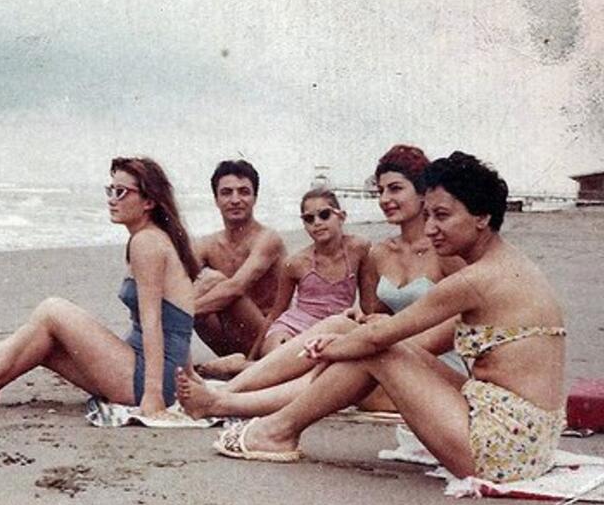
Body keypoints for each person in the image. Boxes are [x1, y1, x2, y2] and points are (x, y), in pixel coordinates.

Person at [211, 152, 566, 484]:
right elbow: (392, 333)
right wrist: (351, 339)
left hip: (502, 450)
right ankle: (255, 412)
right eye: (428, 216)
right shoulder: (510, 264)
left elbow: (382, 340)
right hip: (529, 440)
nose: (430, 229)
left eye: (442, 216)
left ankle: (276, 430)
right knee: (373, 340)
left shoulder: (474, 280)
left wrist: (334, 347)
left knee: (377, 349)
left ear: (482, 217)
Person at [0, 157, 199, 415]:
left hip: (146, 381)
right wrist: (189, 379)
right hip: (145, 370)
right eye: (109, 190)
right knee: (40, 342)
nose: (111, 200)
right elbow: (178, 323)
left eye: (121, 192)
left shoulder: (147, 243)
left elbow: (156, 322)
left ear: (149, 202)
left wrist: (155, 395)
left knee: (52, 310)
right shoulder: (148, 240)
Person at [178, 144, 465, 414]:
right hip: (391, 356)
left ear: (423, 192)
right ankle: (228, 392)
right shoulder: (381, 253)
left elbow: (464, 322)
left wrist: (378, 339)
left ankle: (226, 400)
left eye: (395, 189)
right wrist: (364, 321)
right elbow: (378, 315)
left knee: (335, 364)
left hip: (434, 369)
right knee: (339, 333)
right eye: (380, 191)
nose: (385, 200)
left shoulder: (445, 251)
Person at [197, 187, 371, 378]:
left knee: (313, 369)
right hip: (292, 327)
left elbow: (368, 305)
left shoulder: (359, 249)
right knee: (289, 362)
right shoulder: (295, 263)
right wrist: (253, 354)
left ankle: (242, 368)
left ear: (341, 216)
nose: (317, 223)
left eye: (324, 214)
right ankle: (250, 365)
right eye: (309, 219)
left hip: (335, 327)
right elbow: (276, 313)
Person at [193, 160, 286, 358]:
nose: (235, 200)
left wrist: (180, 313)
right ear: (216, 199)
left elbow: (236, 287)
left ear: (255, 198)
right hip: (227, 342)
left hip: (267, 340)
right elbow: (175, 275)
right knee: (194, 283)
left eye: (244, 192)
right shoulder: (207, 244)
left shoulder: (268, 239)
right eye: (226, 193)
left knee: (213, 280)